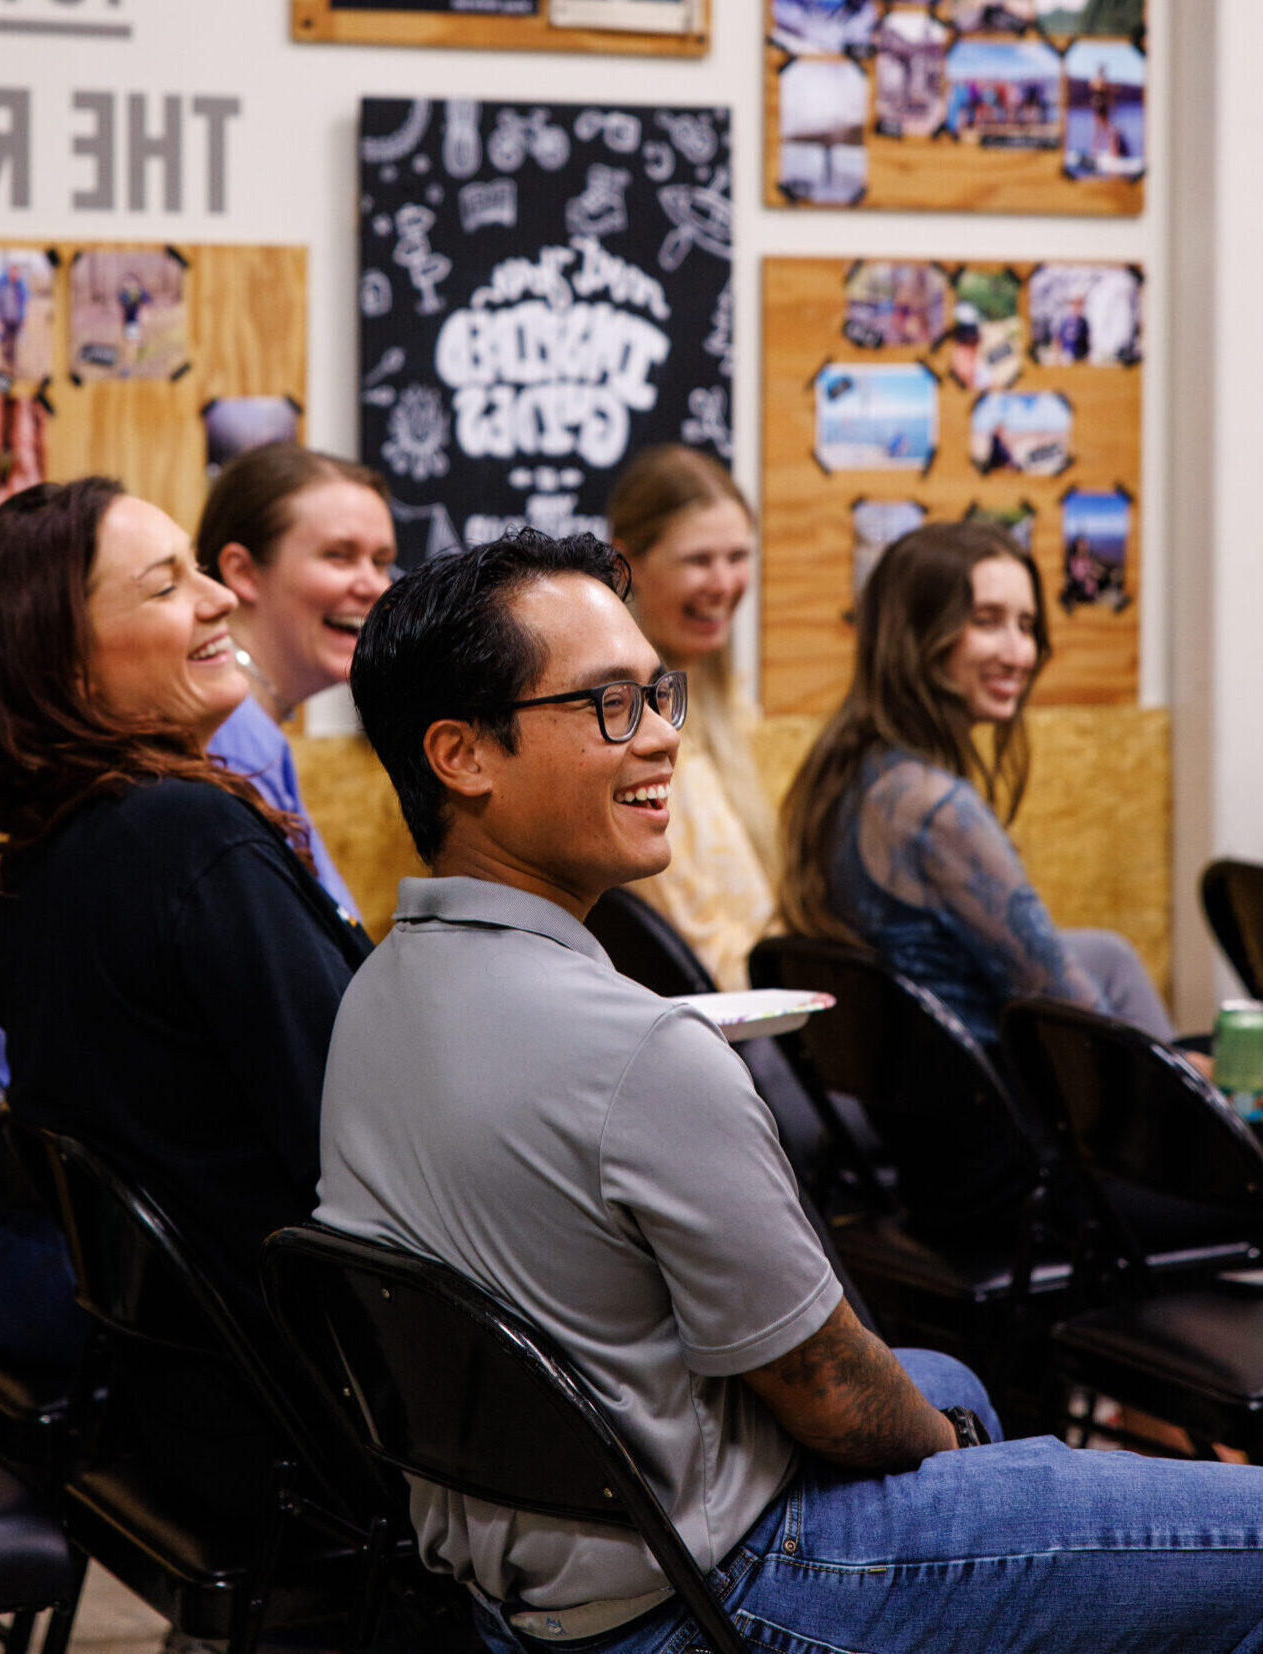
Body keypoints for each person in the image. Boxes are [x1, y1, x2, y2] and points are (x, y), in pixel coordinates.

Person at [317, 527, 1263, 1654]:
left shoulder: (373, 994)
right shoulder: (639, 1051)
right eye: (609, 704)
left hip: (533, 1583)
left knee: (953, 1375)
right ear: (463, 754)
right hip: (722, 1591)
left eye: (656, 692)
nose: (663, 732)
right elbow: (831, 1392)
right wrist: (969, 1471)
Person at [0, 477, 369, 1360]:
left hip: (167, 1386)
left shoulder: (49, 850)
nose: (223, 598)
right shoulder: (186, 838)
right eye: (166, 588)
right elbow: (356, 1138)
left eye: (199, 570)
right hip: (292, 1404)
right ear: (66, 667)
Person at [780, 518, 1173, 1054]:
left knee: (1110, 954)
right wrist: (1188, 1075)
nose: (1019, 654)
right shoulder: (935, 809)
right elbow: (1075, 1012)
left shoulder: (848, 766)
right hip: (983, 1114)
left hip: (912, 1092)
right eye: (987, 622)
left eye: (1027, 625)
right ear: (918, 634)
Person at [195, 442, 396, 922]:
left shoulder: (257, 731)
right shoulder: (223, 738)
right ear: (242, 572)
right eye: (339, 556)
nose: (373, 585)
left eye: (381, 561)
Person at [608, 446, 777, 992]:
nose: (724, 583)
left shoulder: (719, 695)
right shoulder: (618, 725)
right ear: (624, 565)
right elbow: (692, 950)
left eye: (737, 557)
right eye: (699, 560)